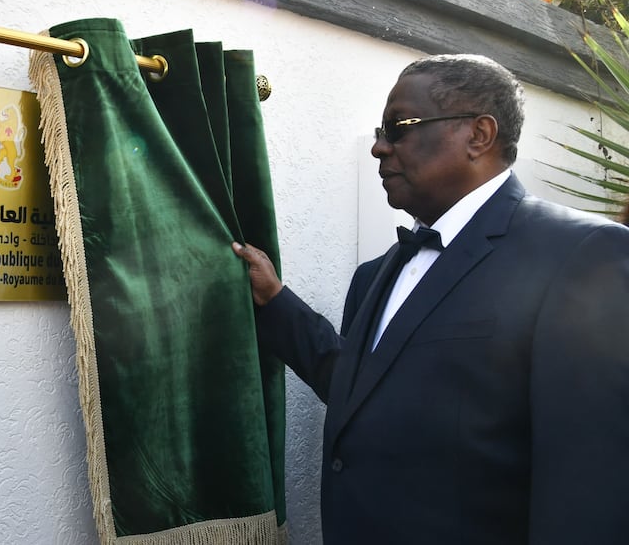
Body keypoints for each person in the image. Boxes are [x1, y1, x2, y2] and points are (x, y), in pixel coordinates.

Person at [232, 54, 629, 545]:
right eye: (380, 131)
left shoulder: (580, 253)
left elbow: (590, 478)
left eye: (399, 128)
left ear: (478, 135)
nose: (379, 147)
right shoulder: (375, 275)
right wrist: (275, 302)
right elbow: (361, 393)